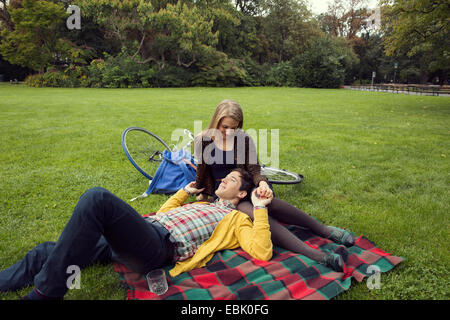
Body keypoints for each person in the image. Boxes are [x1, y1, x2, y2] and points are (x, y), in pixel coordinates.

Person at [1, 169, 281, 300]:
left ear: (241, 193)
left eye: (230, 180)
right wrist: (184, 193)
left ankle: (45, 294)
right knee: (48, 251)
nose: (222, 180)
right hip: (148, 230)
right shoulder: (204, 203)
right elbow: (164, 212)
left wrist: (259, 208)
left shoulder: (235, 219)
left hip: (158, 247)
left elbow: (261, 249)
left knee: (97, 199)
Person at [194, 99, 354, 266]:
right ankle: (317, 256)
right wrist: (201, 193)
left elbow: (254, 169)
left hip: (246, 183)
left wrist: (262, 183)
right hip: (226, 190)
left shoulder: (243, 139)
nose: (228, 132)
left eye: (233, 128)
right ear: (216, 122)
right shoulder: (203, 140)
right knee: (257, 212)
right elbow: (202, 171)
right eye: (224, 127)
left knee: (273, 204)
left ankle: (324, 230)